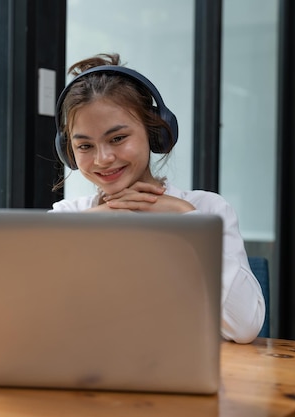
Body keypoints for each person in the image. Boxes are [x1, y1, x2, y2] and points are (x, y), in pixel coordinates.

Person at [49, 53, 265, 344]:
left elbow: (245, 327)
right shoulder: (65, 220)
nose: (103, 159)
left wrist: (186, 218)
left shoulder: (207, 210)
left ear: (153, 132)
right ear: (69, 152)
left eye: (117, 138)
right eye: (85, 145)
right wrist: (103, 217)